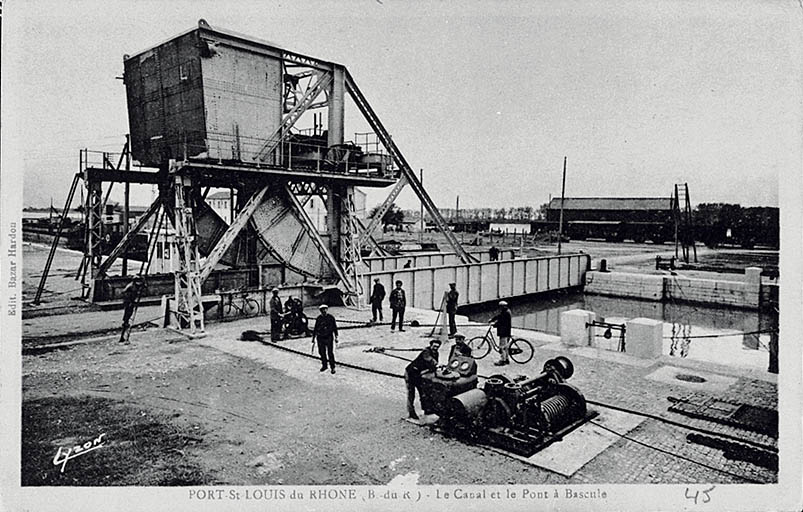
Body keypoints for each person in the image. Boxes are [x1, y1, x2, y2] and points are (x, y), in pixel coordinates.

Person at [404, 338, 441, 420]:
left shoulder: (436, 353)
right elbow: (430, 361)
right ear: (431, 345)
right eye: (434, 346)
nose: (435, 348)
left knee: (423, 393)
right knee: (411, 394)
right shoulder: (426, 351)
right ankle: (411, 413)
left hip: (419, 375)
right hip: (411, 373)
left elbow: (433, 366)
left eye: (437, 347)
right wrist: (436, 365)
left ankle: (426, 411)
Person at [312, 304, 338, 374]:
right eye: (322, 310)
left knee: (330, 353)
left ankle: (332, 367)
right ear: (320, 311)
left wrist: (336, 336)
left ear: (327, 309)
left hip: (329, 337)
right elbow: (315, 328)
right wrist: (313, 338)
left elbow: (334, 327)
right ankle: (324, 365)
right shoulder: (319, 318)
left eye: (325, 309)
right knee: (322, 352)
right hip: (320, 338)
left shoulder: (331, 318)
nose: (324, 311)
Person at [119, 275, 146, 343]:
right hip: (128, 302)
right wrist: (130, 301)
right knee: (126, 318)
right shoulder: (130, 286)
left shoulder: (136, 286)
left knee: (128, 316)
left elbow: (144, 287)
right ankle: (123, 335)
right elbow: (124, 293)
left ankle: (124, 334)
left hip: (131, 302)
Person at [490, 300, 512, 366]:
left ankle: (503, 360)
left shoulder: (506, 313)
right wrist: (492, 319)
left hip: (504, 332)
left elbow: (501, 322)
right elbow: (499, 316)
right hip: (507, 331)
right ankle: (507, 359)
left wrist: (495, 324)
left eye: (500, 307)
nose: (500, 308)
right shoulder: (506, 311)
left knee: (502, 347)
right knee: (506, 347)